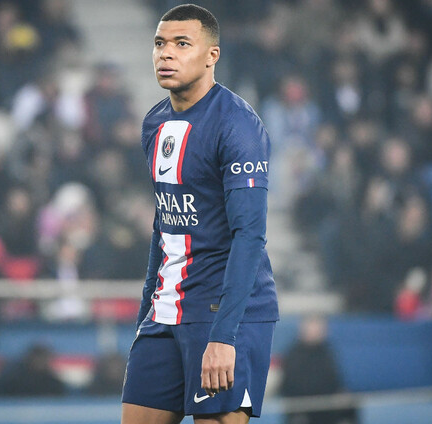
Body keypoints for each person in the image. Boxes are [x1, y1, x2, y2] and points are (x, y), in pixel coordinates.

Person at [121, 4, 279, 424]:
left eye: (181, 44)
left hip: (221, 316)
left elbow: (249, 234)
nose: (166, 53)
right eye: (160, 43)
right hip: (165, 312)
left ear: (212, 55)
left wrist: (225, 335)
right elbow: (164, 224)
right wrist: (145, 313)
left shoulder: (237, 125)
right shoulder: (154, 123)